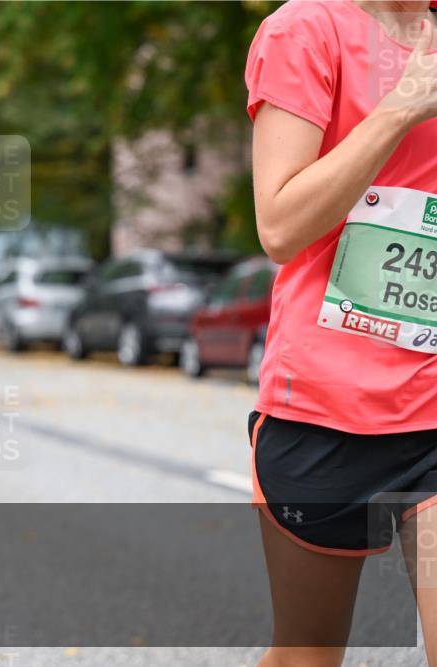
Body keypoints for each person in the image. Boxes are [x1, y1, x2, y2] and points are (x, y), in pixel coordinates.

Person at [245, 2, 436, 664]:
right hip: (325, 406)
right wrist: (400, 107)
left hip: (431, 398)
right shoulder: (305, 30)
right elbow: (279, 227)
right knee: (307, 654)